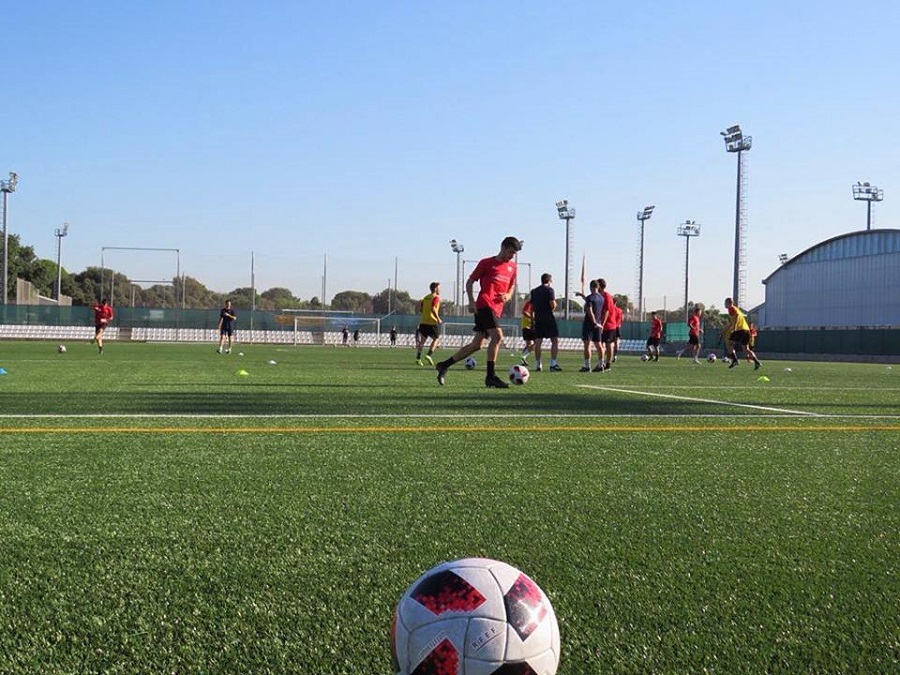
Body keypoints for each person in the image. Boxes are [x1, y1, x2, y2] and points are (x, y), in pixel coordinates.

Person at [435, 236, 522, 388]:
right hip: (484, 304)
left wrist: (508, 295)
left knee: (477, 345)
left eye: (514, 253)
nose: (511, 256)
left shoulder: (512, 267)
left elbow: (512, 286)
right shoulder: (486, 263)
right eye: (510, 252)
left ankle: (444, 365)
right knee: (498, 336)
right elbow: (469, 282)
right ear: (503, 247)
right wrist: (470, 301)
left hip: (497, 308)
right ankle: (490, 377)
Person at [530, 273, 562, 372]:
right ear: (549, 280)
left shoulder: (534, 291)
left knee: (538, 342)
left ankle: (538, 364)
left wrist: (533, 319)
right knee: (555, 340)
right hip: (548, 317)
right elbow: (552, 305)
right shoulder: (549, 290)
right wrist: (555, 304)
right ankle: (553, 363)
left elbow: (532, 306)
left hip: (538, 317)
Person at [724, 297, 762, 369]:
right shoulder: (735, 309)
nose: (724, 304)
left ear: (729, 303)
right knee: (746, 349)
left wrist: (734, 327)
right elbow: (731, 323)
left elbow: (736, 317)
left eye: (725, 303)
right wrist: (724, 331)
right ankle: (757, 362)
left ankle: (735, 360)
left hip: (740, 330)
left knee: (729, 343)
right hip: (746, 330)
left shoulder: (731, 309)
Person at [579, 279, 605, 372]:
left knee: (587, 344)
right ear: (598, 287)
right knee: (599, 344)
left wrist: (593, 322)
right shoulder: (602, 298)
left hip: (590, 324)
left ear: (590, 287)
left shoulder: (590, 298)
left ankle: (587, 366)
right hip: (598, 323)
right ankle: (601, 364)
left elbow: (590, 311)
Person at [415, 282, 442, 365]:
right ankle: (429, 355)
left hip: (423, 322)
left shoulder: (425, 298)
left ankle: (418, 358)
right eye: (439, 288)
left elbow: (420, 310)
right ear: (435, 289)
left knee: (422, 341)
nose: (440, 289)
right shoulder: (436, 298)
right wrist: (438, 319)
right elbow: (433, 309)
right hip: (432, 322)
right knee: (436, 339)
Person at [597, 278, 616, 370]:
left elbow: (606, 311)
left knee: (608, 344)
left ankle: (608, 364)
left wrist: (602, 325)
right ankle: (601, 363)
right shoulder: (598, 296)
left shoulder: (607, 296)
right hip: (601, 324)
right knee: (600, 344)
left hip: (609, 325)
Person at [520, 298, 535, 365]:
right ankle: (523, 356)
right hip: (528, 326)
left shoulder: (538, 304)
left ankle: (523, 358)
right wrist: (533, 319)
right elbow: (524, 312)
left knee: (530, 344)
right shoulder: (530, 302)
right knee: (537, 343)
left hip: (529, 326)